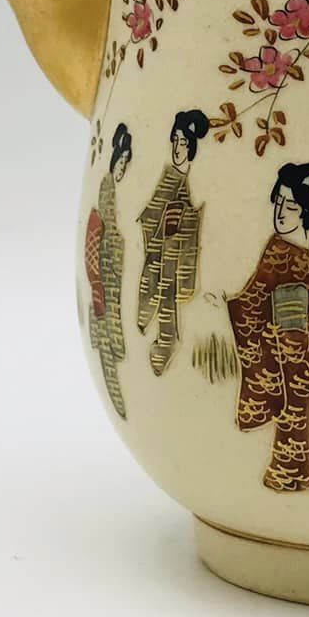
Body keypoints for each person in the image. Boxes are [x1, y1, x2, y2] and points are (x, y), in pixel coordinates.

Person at [227, 162, 309, 492]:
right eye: (279, 203)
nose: (282, 213)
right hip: (278, 349)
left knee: (295, 412)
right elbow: (253, 298)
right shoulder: (276, 250)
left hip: (299, 351)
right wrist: (232, 304)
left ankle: (293, 471)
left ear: (307, 212)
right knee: (291, 413)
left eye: (292, 206)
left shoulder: (308, 258)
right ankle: (291, 470)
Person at [137, 108, 208, 375]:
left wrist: (185, 221)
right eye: (175, 141)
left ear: (192, 147)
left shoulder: (192, 180)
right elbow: (148, 217)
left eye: (184, 142)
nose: (178, 148)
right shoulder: (168, 179)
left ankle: (167, 344)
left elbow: (192, 216)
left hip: (176, 260)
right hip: (163, 260)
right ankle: (164, 343)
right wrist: (166, 228)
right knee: (165, 302)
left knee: (171, 304)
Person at [84, 124, 132, 420]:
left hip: (110, 284)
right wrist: (98, 286)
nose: (123, 168)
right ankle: (117, 393)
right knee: (107, 345)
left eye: (126, 162)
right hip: (104, 285)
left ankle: (119, 393)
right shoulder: (105, 195)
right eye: (122, 161)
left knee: (113, 346)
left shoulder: (111, 194)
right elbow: (94, 245)